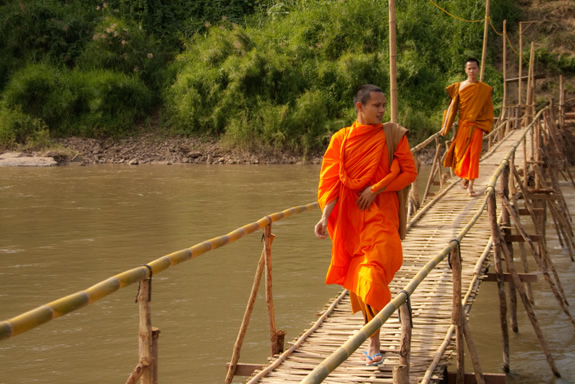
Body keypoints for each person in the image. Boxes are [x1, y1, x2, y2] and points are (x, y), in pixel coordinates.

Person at [314, 84, 417, 366]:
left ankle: (372, 339)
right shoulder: (341, 139)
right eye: (377, 106)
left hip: (382, 219)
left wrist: (378, 187)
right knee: (364, 280)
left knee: (373, 276)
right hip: (351, 223)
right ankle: (374, 341)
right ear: (359, 107)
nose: (382, 111)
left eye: (384, 106)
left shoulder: (393, 135)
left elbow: (409, 172)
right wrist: (325, 216)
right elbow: (333, 183)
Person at [441, 58, 494, 196]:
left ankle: (470, 186)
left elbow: (488, 110)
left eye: (474, 68)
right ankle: (464, 177)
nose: (472, 71)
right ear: (465, 70)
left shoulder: (484, 89)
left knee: (474, 156)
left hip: (476, 127)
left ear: (478, 69)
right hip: (463, 127)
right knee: (459, 154)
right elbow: (452, 108)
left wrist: (485, 124)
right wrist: (445, 127)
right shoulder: (459, 87)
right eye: (469, 68)